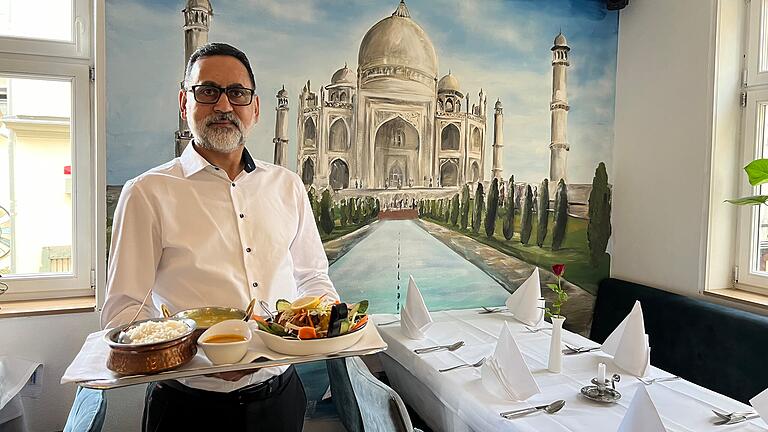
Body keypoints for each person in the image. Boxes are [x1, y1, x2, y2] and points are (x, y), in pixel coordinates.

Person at [101, 42, 338, 431]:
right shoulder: (148, 192)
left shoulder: (287, 186)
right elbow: (125, 313)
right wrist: (205, 355)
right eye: (208, 91)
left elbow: (312, 278)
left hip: (278, 396)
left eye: (237, 93)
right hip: (188, 408)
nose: (224, 106)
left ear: (255, 108)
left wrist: (326, 325)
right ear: (185, 102)